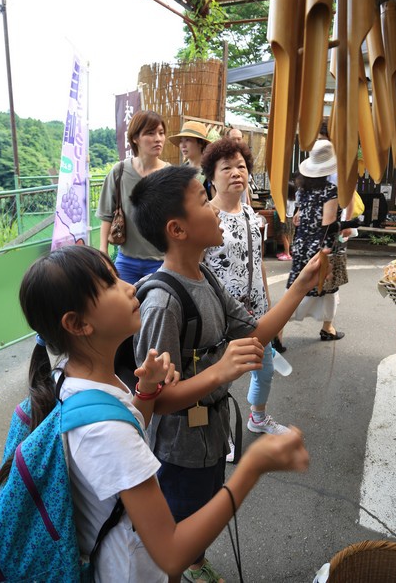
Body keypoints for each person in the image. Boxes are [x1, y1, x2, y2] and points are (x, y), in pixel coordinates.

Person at [18, 245, 309, 582]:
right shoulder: (106, 430)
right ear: (78, 324)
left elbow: (131, 425)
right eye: (110, 284)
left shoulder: (72, 378)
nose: (129, 286)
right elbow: (171, 554)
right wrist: (253, 467)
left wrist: (146, 392)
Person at [130, 165, 326, 583]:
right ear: (177, 229)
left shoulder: (205, 277)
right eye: (203, 202)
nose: (216, 211)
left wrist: (301, 284)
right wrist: (220, 371)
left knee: (204, 507)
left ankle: (195, 564)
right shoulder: (163, 302)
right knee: (180, 525)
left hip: (212, 433)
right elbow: (155, 400)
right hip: (179, 447)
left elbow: (256, 333)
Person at [201, 137, 288, 441]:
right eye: (226, 167)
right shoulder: (206, 217)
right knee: (218, 379)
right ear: (211, 177)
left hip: (257, 313)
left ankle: (258, 417)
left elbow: (259, 263)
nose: (236, 172)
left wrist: (270, 308)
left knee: (264, 369)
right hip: (221, 316)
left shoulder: (252, 215)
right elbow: (194, 270)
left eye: (241, 166)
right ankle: (216, 432)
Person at [286, 138, 359, 341]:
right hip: (320, 247)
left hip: (301, 244)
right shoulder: (330, 191)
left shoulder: (302, 189)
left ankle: (282, 332)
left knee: (297, 288)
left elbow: (300, 217)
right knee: (324, 288)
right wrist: (349, 225)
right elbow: (328, 225)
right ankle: (323, 329)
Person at [96, 110, 169, 284]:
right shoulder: (119, 171)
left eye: (161, 133)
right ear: (135, 138)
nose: (158, 138)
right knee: (124, 308)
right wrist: (103, 251)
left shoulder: (169, 175)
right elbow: (107, 215)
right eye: (150, 133)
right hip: (126, 261)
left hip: (162, 261)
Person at [169, 120, 212, 199]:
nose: (183, 145)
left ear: (201, 143)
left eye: (188, 140)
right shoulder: (180, 170)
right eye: (181, 141)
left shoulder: (210, 172)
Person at [276, 180, 296, 261]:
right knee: (288, 236)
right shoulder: (293, 200)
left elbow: (280, 209)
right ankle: (286, 252)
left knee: (284, 237)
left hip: (285, 219)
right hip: (290, 219)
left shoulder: (286, 201)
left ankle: (287, 254)